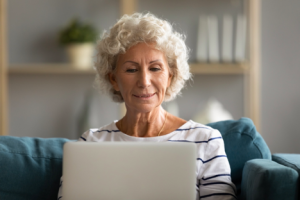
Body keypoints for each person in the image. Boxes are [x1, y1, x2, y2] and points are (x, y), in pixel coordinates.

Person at [58, 13, 236, 200]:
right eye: (131, 69)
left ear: (170, 76)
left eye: (155, 68)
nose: (144, 81)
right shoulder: (90, 143)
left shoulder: (205, 140)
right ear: (114, 79)